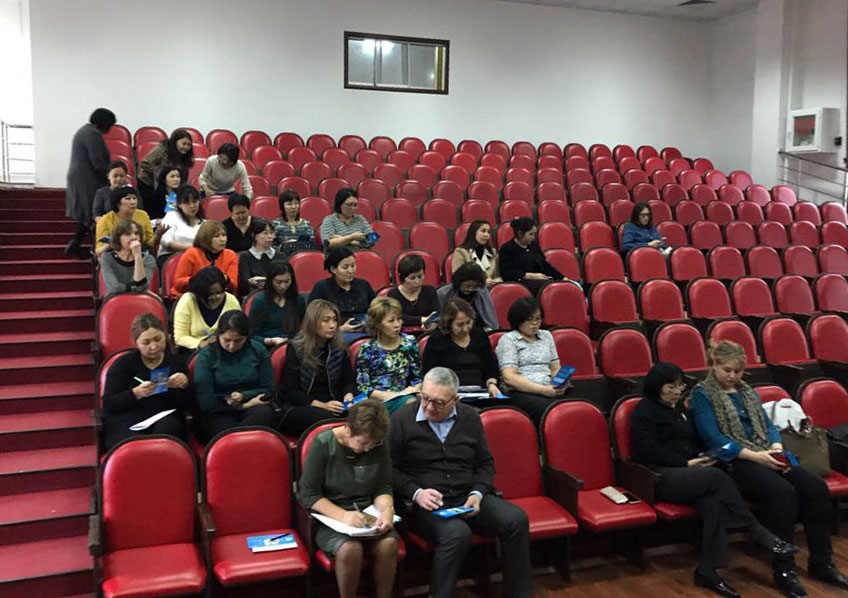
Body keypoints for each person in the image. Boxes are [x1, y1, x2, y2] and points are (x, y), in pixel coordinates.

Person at [690, 341, 848, 598]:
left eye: (738, 371)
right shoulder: (702, 396)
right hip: (734, 462)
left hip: (766, 453)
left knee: (815, 487)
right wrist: (757, 456)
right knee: (782, 493)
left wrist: (775, 446)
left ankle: (822, 562)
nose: (732, 376)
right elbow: (714, 439)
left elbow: (768, 425)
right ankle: (784, 570)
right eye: (727, 370)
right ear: (713, 366)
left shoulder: (747, 392)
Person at [631, 362, 798, 598]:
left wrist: (707, 455)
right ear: (657, 387)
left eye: (680, 386)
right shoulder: (644, 411)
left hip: (692, 473)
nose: (677, 391)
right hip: (661, 476)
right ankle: (758, 532)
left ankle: (707, 571)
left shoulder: (680, 409)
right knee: (717, 477)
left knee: (714, 504)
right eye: (671, 387)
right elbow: (646, 450)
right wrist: (687, 463)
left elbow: (694, 440)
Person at [390, 367, 534, 598]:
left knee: (516, 519)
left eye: (438, 403)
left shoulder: (470, 417)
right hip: (426, 505)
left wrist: (478, 493)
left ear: (455, 400)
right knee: (457, 534)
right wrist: (416, 493)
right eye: (425, 398)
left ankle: (519, 593)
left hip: (467, 495)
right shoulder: (402, 419)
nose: (429, 407)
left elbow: (485, 464)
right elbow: (389, 469)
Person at [297, 399, 398, 598]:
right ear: (348, 428)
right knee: (351, 549)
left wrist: (387, 511)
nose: (368, 449)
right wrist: (344, 516)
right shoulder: (323, 443)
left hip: (367, 513)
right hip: (331, 517)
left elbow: (383, 486)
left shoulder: (378, 442)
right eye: (363, 443)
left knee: (388, 544)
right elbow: (308, 494)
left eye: (373, 444)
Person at [101, 313, 190, 450]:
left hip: (163, 416)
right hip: (128, 418)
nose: (154, 346)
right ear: (135, 343)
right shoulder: (123, 364)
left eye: (158, 339)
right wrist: (135, 393)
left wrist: (184, 385)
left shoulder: (175, 362)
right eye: (146, 342)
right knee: (131, 444)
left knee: (168, 432)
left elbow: (186, 404)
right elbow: (109, 403)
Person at [194, 311, 277, 442]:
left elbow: (268, 389)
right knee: (226, 432)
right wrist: (244, 405)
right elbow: (206, 401)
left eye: (238, 341)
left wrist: (244, 396)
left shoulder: (258, 350)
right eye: (226, 340)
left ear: (246, 337)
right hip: (218, 410)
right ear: (218, 335)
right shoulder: (207, 355)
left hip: (254, 404)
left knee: (263, 415)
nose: (232, 346)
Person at [278, 299, 355, 437]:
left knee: (369, 410)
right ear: (313, 323)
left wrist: (348, 395)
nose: (332, 325)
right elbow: (290, 391)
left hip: (336, 403)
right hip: (303, 406)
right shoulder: (296, 348)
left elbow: (349, 381)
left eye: (335, 320)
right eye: (326, 320)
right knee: (325, 417)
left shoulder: (340, 348)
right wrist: (322, 405)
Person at [495, 297, 566, 426]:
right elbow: (509, 377)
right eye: (529, 320)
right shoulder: (509, 339)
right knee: (551, 411)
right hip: (520, 392)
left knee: (575, 407)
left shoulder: (546, 336)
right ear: (518, 320)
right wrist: (543, 390)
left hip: (549, 389)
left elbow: (555, 368)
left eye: (538, 319)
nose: (534, 323)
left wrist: (560, 382)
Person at [422, 298, 503, 403]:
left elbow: (490, 367)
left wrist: (492, 384)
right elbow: (432, 374)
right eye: (460, 325)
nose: (465, 328)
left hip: (482, 392)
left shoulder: (480, 336)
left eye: (468, 322)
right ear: (449, 324)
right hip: (450, 395)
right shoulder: (437, 340)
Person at [355, 297, 422, 415]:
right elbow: (364, 386)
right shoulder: (367, 349)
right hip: (378, 401)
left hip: (405, 396)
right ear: (378, 324)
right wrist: (393, 395)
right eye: (391, 321)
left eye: (399, 319)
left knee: (416, 402)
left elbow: (417, 376)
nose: (397, 324)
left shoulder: (409, 342)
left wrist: (415, 388)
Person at [65, 107, 115, 258]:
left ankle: (75, 244)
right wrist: (109, 178)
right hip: (87, 178)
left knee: (87, 213)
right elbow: (97, 162)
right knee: (91, 212)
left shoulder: (85, 131)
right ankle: (84, 247)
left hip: (82, 177)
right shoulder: (92, 134)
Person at [308, 246, 375, 343]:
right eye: (345, 267)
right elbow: (312, 320)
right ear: (333, 269)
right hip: (337, 333)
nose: (350, 271)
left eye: (353, 266)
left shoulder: (363, 285)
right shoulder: (322, 288)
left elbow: (375, 310)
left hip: (365, 330)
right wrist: (340, 329)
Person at [173, 267, 240, 352]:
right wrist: (200, 343)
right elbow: (180, 337)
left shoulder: (232, 301)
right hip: (193, 351)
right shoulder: (187, 301)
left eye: (219, 292)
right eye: (210, 294)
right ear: (199, 294)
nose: (216, 297)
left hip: (225, 349)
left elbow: (238, 331)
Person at [170, 220, 238, 298]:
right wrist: (199, 281)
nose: (222, 239)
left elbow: (233, 285)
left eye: (224, 235)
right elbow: (178, 283)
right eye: (217, 236)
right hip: (189, 296)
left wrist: (223, 279)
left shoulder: (230, 255)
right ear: (206, 238)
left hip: (219, 297)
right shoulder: (192, 253)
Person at [498, 217, 565, 295]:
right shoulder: (507, 248)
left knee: (564, 285)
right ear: (520, 234)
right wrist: (530, 276)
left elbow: (545, 265)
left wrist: (562, 278)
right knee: (548, 287)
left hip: (541, 280)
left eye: (534, 234)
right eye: (530, 234)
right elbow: (507, 272)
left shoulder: (534, 245)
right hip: (521, 283)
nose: (533, 237)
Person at [248, 262, 306, 347]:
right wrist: (270, 341)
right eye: (278, 282)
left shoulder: (298, 299)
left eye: (287, 282)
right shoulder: (260, 301)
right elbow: (251, 334)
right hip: (267, 345)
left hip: (293, 344)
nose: (283, 286)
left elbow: (303, 328)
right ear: (270, 281)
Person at [137, 128, 194, 207]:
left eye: (189, 145)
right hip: (148, 184)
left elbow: (183, 178)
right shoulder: (162, 148)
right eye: (183, 144)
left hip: (168, 186)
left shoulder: (185, 157)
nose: (186, 147)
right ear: (175, 142)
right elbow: (145, 163)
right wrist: (162, 174)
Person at [98, 219, 157, 296]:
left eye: (136, 233)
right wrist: (135, 287)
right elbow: (115, 288)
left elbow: (141, 287)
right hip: (115, 300)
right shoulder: (107, 258)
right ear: (118, 238)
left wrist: (138, 257)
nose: (134, 237)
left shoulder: (148, 259)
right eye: (127, 234)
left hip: (139, 300)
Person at [94, 186, 157, 256]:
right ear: (118, 203)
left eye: (134, 198)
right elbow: (98, 251)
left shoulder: (143, 215)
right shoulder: (105, 220)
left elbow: (150, 243)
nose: (133, 202)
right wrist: (111, 245)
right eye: (128, 199)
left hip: (140, 253)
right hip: (114, 255)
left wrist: (158, 235)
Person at [436, 263, 498, 331]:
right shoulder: (443, 293)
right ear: (459, 282)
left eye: (474, 287)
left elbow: (489, 318)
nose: (470, 289)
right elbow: (439, 319)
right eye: (467, 286)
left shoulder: (481, 291)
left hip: (478, 329)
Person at [387, 253, 440, 330]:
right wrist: (422, 320)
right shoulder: (393, 294)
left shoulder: (429, 291)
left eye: (420, 276)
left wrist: (431, 323)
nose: (417, 281)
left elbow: (436, 313)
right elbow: (398, 317)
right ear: (403, 277)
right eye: (412, 278)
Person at [238, 218, 288, 296]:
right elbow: (245, 283)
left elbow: (285, 279)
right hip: (254, 295)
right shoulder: (245, 257)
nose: (270, 236)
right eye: (265, 233)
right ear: (254, 236)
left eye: (271, 233)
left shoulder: (280, 256)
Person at [157, 185, 203, 268]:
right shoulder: (171, 216)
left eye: (194, 202)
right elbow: (165, 242)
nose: (192, 206)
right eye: (187, 203)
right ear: (179, 204)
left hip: (196, 258)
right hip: (171, 257)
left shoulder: (204, 223)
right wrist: (190, 248)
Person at [451, 219, 501, 288]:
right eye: (483, 231)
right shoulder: (461, 252)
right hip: (471, 290)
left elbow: (497, 276)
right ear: (473, 232)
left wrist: (495, 282)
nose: (486, 235)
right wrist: (482, 282)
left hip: (492, 289)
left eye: (488, 232)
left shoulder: (493, 252)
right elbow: (458, 277)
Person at [271, 190, 315, 258]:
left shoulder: (306, 224)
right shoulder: (275, 224)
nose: (293, 207)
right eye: (289, 204)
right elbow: (270, 246)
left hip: (303, 256)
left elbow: (311, 244)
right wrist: (285, 246)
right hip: (282, 257)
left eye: (296, 203)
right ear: (282, 206)